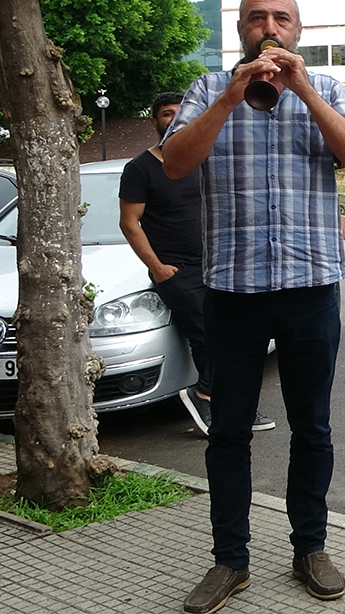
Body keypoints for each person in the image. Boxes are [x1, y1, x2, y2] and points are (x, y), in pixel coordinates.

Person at [162, 0, 345, 614]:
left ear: (298, 31)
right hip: (233, 289)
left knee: (313, 427)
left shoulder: (325, 87)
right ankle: (230, 560)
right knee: (228, 430)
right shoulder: (208, 89)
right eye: (258, 18)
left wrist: (302, 88)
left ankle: (310, 548)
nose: (270, 27)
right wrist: (231, 95)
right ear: (241, 30)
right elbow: (173, 164)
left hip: (311, 285)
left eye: (282, 18)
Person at [118, 93, 275, 437]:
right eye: (166, 114)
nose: (174, 119)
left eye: (181, 113)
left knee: (237, 333)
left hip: (216, 264)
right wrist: (157, 267)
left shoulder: (204, 160)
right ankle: (205, 394)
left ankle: (234, 405)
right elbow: (129, 223)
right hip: (175, 268)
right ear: (154, 121)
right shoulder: (140, 169)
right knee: (208, 332)